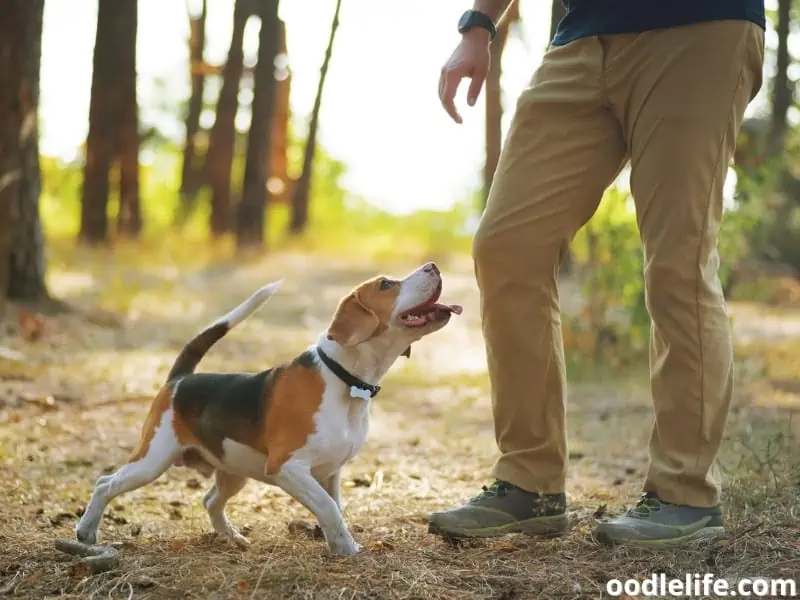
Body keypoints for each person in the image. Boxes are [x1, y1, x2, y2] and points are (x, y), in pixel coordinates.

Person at [428, 0, 765, 547]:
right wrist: (479, 25)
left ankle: (686, 494)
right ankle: (529, 482)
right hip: (581, 36)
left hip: (698, 27)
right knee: (507, 246)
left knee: (678, 261)